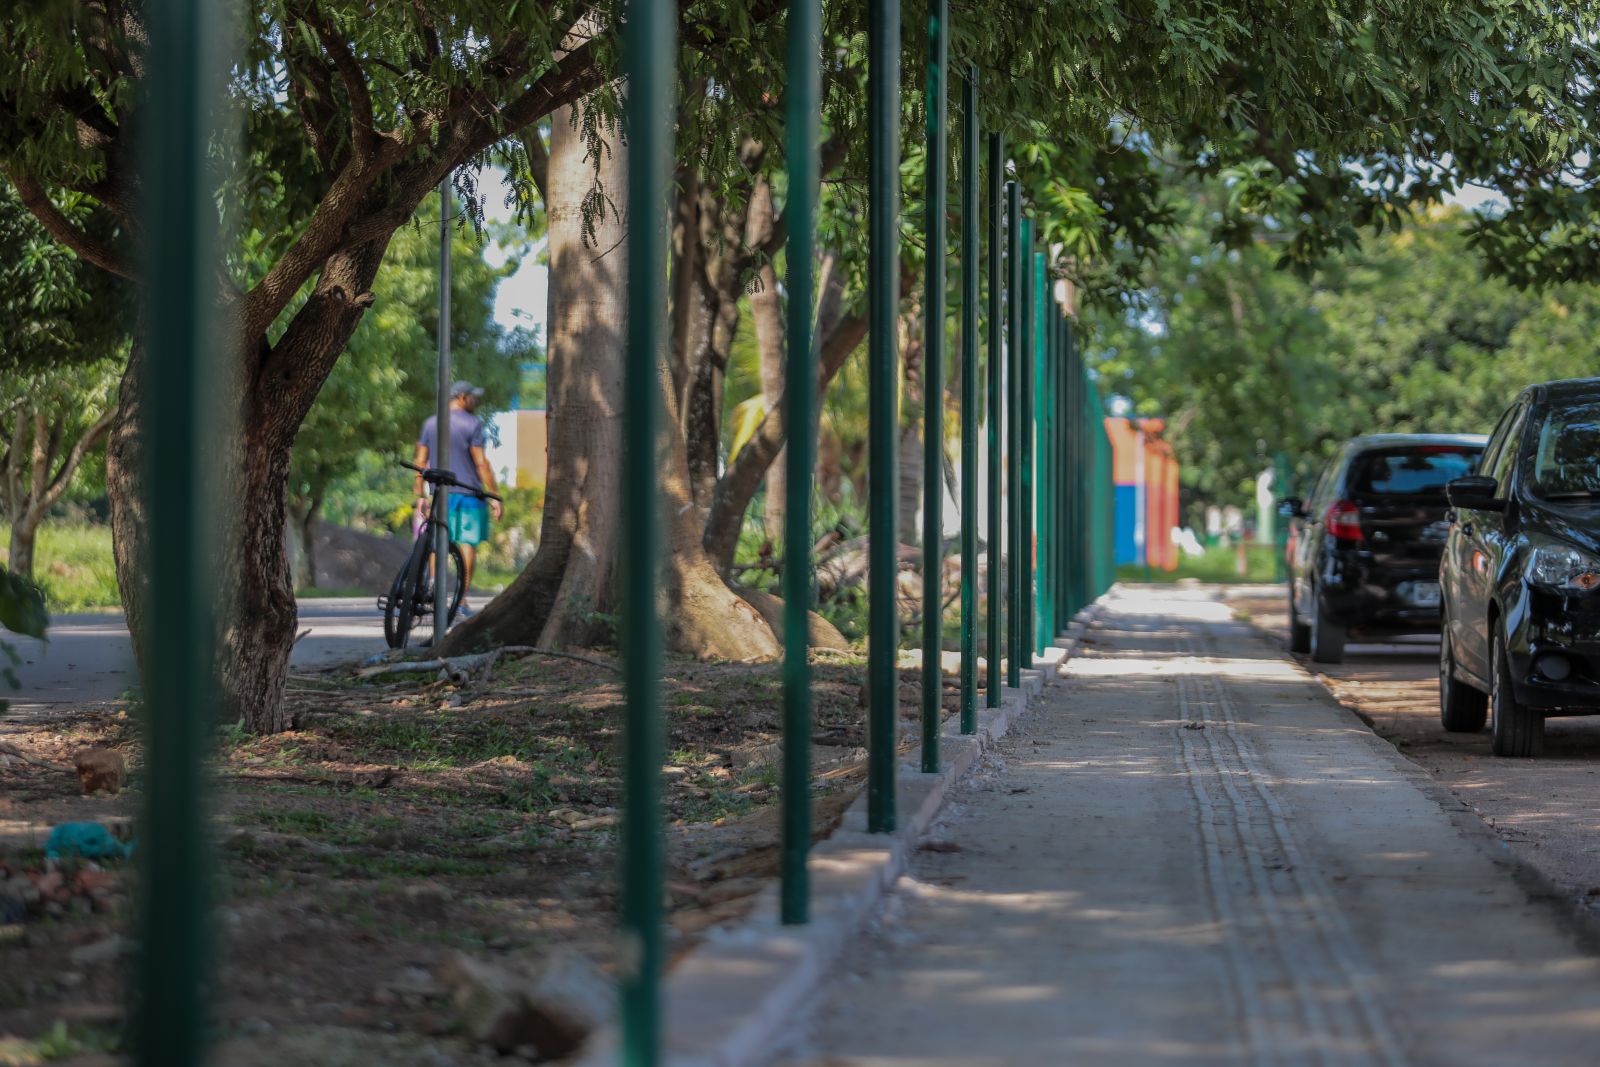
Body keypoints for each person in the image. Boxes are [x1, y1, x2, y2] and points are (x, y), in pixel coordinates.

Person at [414, 380, 502, 615]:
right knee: (467, 543)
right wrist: (494, 495)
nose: (477, 401)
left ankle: (435, 591)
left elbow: (420, 462)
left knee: (437, 544)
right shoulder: (472, 424)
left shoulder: (431, 424)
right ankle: (461, 600)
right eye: (474, 397)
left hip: (440, 494)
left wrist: (419, 495)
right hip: (469, 493)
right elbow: (481, 462)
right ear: (462, 397)